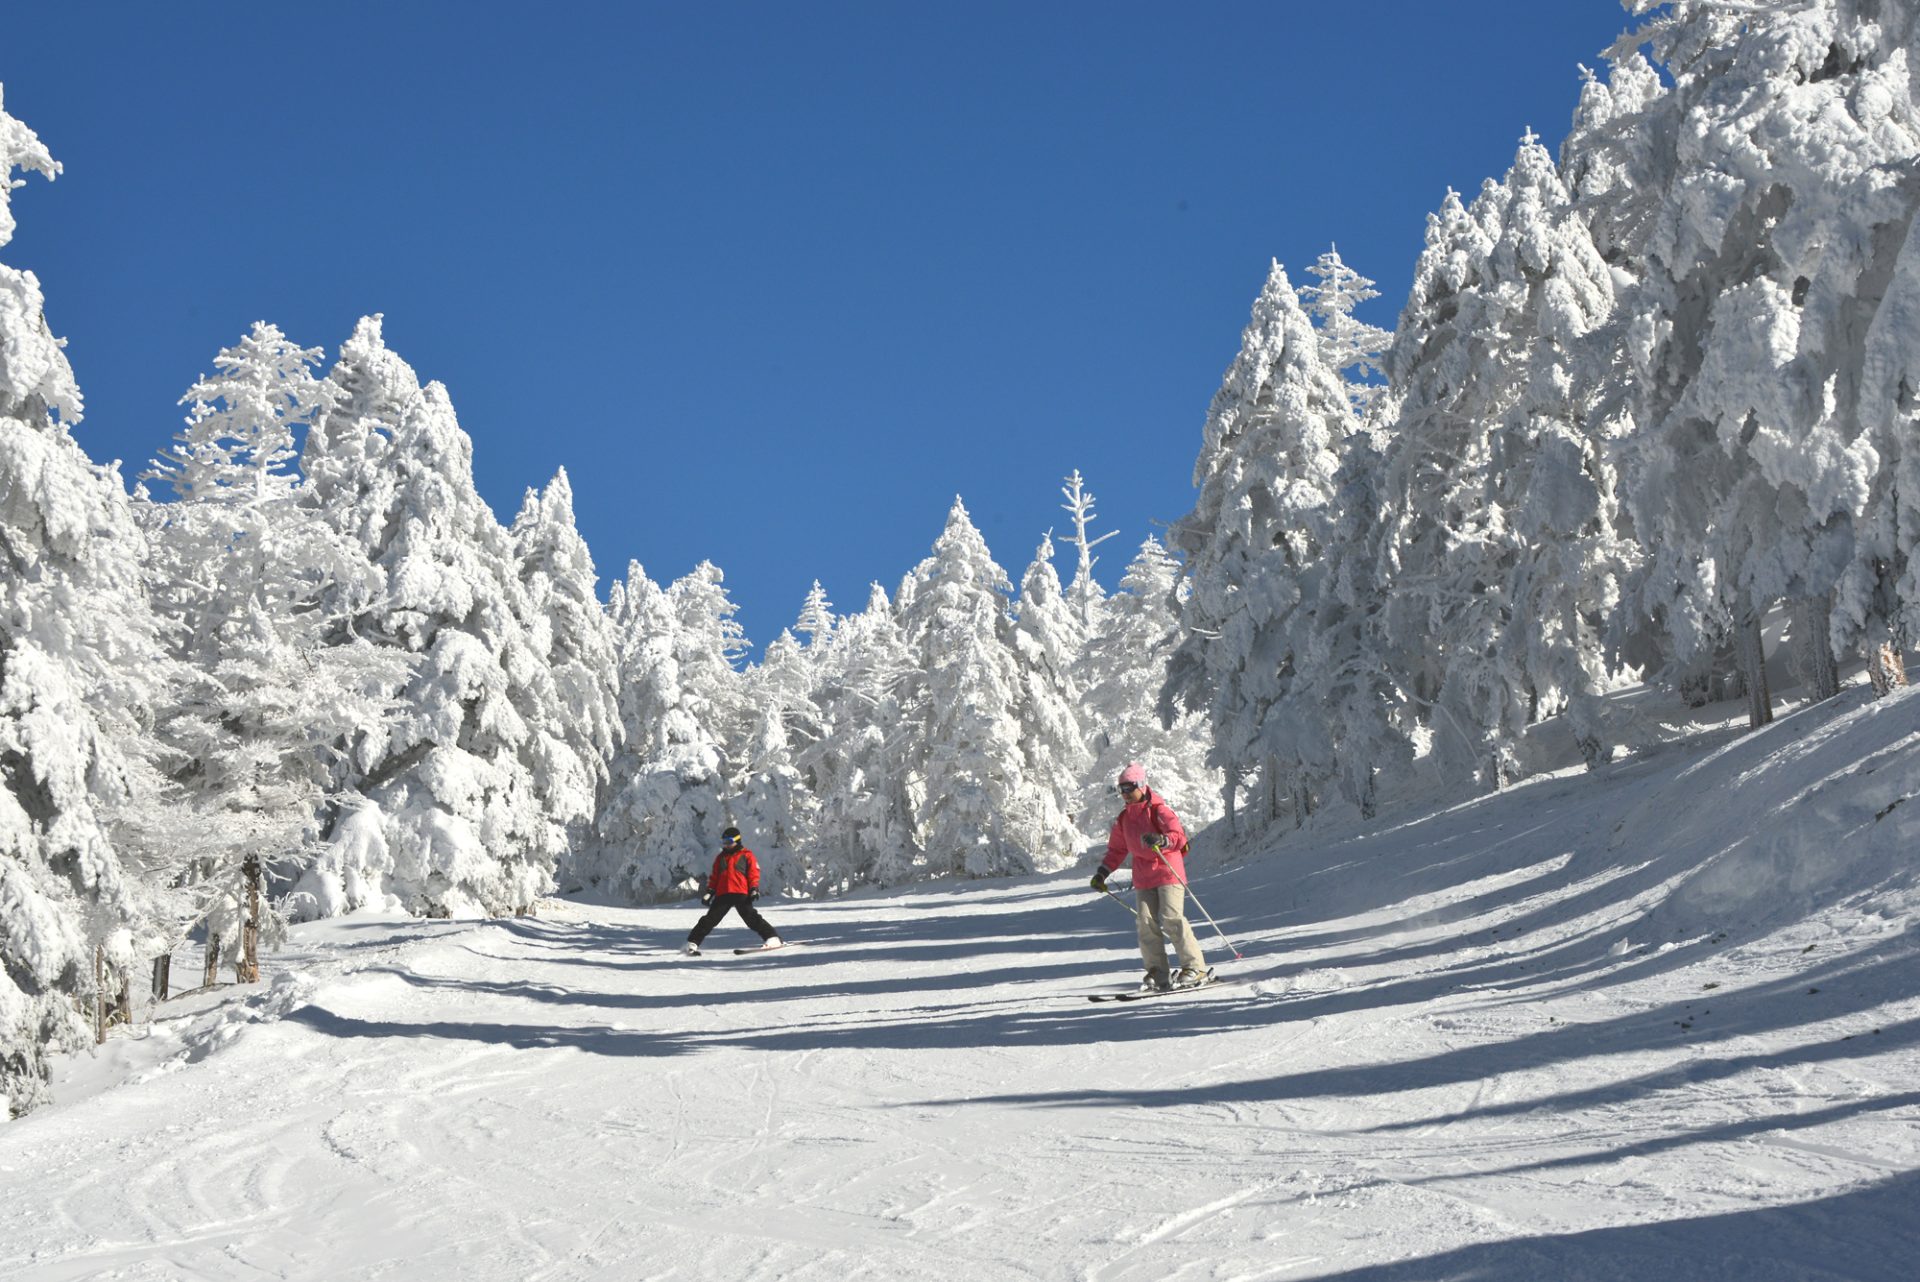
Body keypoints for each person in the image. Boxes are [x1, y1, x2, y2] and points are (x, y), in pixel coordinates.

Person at [1090, 763, 1211, 992]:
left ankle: (1195, 968)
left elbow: (1178, 836)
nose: (1125, 793)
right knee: (1145, 923)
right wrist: (1102, 873)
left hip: (1167, 871)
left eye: (1129, 787)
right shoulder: (1125, 818)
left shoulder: (1159, 810)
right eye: (1121, 789)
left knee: (1171, 918)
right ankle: (1157, 973)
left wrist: (1161, 840)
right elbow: (1117, 850)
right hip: (1144, 876)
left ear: (1142, 785)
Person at [683, 826, 784, 955]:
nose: (726, 845)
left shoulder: (746, 855)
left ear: (737, 841)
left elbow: (753, 873)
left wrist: (753, 889)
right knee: (709, 919)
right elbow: (715, 877)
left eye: (729, 842)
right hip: (723, 894)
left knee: (751, 918)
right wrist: (710, 892)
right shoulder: (720, 858)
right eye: (724, 842)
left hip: (741, 893)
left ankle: (773, 938)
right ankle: (692, 943)